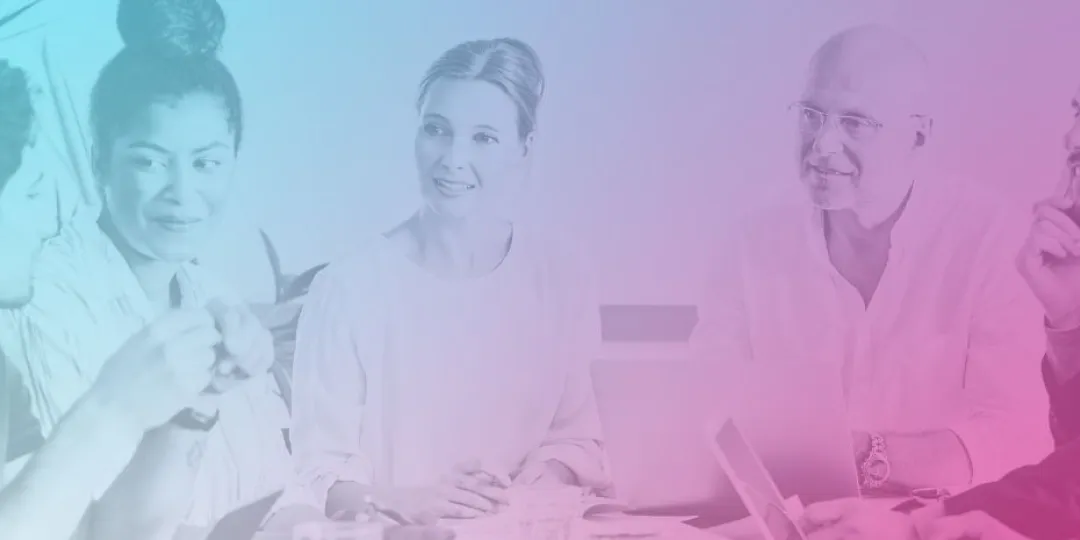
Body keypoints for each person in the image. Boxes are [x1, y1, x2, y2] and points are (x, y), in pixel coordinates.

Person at [691, 23, 1052, 494]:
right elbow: (705, 412)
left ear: (918, 135)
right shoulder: (748, 247)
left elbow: (1018, 438)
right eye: (811, 115)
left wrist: (865, 457)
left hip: (935, 526)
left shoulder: (990, 240)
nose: (822, 144)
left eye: (855, 123)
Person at [274, 37, 609, 526]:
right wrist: (402, 500)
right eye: (437, 130)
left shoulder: (561, 277)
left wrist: (537, 483)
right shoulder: (348, 287)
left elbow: (575, 439)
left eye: (484, 138)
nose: (452, 158)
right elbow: (317, 471)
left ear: (524, 149)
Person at [0, 0, 295, 538]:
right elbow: (87, 523)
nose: (182, 195)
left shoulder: (214, 295)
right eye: (149, 161)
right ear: (98, 161)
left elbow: (277, 491)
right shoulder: (41, 300)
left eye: (206, 162)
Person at [797, 81, 1080, 540]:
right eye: (1072, 162)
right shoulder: (754, 242)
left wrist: (916, 523)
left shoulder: (982, 233)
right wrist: (1068, 323)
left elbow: (1024, 449)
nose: (1064, 199)